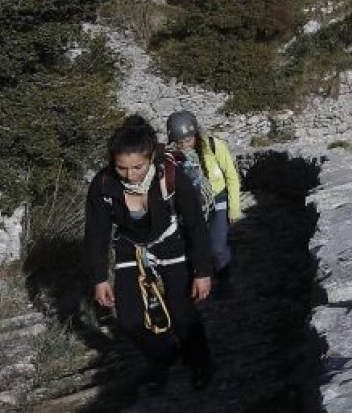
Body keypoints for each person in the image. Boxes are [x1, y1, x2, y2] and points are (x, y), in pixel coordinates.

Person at [85, 115, 215, 392]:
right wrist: (99, 278)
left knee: (181, 313)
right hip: (130, 246)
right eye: (122, 168)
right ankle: (162, 355)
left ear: (150, 157)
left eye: (137, 167)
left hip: (170, 243)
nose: (130, 176)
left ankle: (200, 362)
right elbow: (96, 233)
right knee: (130, 320)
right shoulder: (103, 184)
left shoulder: (170, 175)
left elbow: (195, 224)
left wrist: (202, 271)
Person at [166, 110, 241, 287]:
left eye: (188, 140)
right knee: (197, 246)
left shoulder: (214, 145)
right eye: (179, 142)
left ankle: (224, 281)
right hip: (193, 205)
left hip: (219, 199)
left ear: (196, 135)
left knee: (217, 247)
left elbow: (231, 175)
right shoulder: (173, 158)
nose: (185, 146)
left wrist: (234, 207)